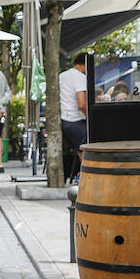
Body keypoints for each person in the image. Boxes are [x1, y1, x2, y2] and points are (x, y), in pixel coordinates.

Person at [59, 52, 88, 182]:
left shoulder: (62, 76)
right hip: (75, 119)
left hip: (65, 119)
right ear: (84, 65)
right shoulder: (80, 77)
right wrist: (90, 117)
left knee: (80, 146)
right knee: (87, 147)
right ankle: (86, 177)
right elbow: (82, 104)